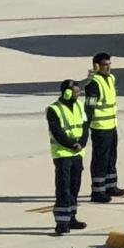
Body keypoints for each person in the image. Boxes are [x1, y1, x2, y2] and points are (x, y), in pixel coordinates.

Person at [44, 80, 88, 235]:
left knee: (75, 187)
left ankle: (72, 218)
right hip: (62, 154)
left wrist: (82, 143)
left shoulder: (80, 105)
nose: (78, 94)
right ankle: (61, 223)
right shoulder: (54, 109)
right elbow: (57, 132)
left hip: (77, 153)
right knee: (64, 188)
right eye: (76, 92)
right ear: (67, 93)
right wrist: (71, 145)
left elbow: (85, 126)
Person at [81, 52, 124, 204]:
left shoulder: (111, 78)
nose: (108, 67)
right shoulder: (93, 83)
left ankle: (111, 186)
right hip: (100, 127)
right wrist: (85, 127)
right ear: (96, 66)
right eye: (105, 65)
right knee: (100, 159)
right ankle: (98, 191)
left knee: (112, 157)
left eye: (109, 64)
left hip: (112, 125)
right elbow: (89, 107)